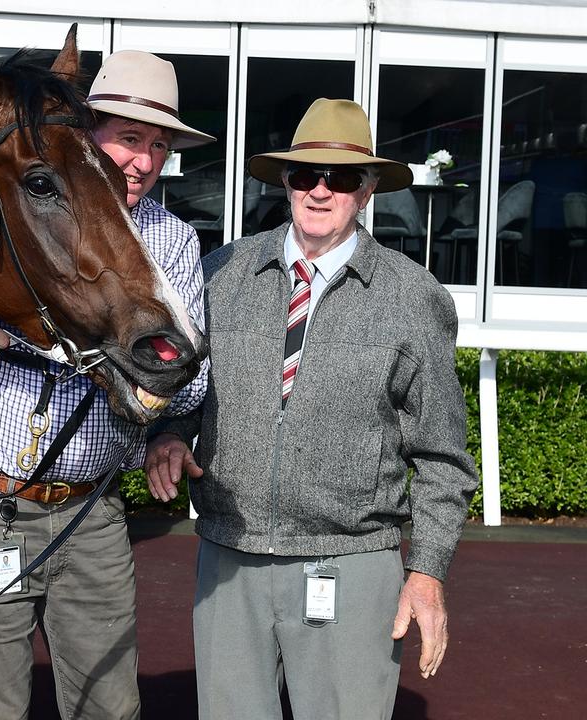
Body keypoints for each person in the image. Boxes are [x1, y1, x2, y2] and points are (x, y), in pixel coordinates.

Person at [0, 50, 213, 719]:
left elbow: (189, 383)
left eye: (159, 145)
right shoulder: (6, 204)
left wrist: (144, 383)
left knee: (109, 707)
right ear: (86, 131)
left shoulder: (174, 241)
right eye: (130, 137)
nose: (145, 161)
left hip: (90, 516)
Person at [148, 98, 479, 719]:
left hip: (351, 566)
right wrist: (168, 434)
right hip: (230, 557)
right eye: (306, 175)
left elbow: (443, 457)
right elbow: (184, 387)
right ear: (286, 182)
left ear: (368, 190)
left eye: (342, 178)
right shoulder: (222, 273)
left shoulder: (412, 297)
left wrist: (427, 574)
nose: (321, 190)